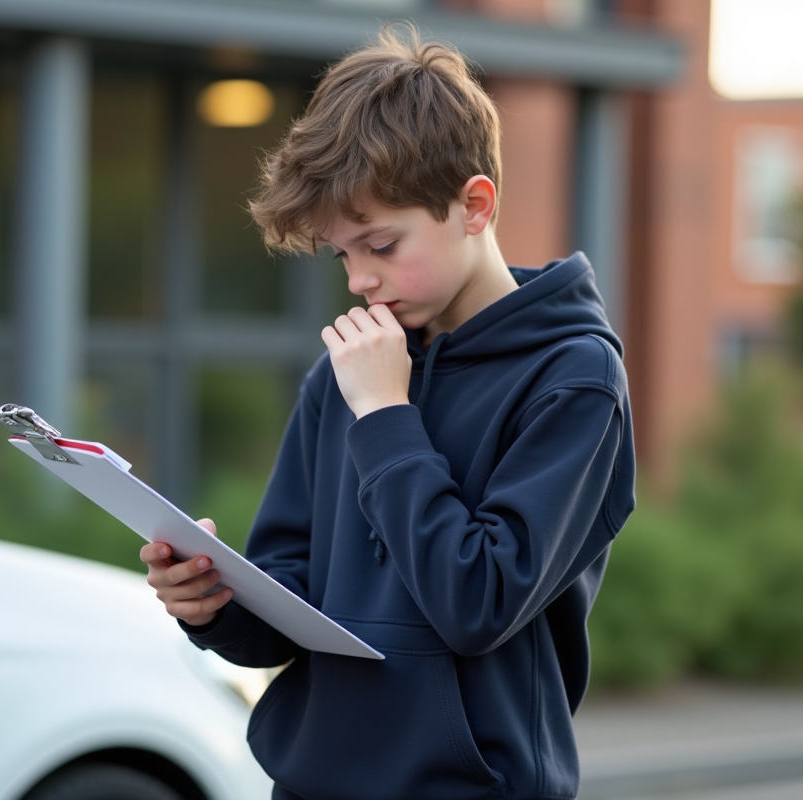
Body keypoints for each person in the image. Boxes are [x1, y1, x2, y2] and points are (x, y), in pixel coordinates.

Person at [141, 23, 635, 800]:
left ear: (475, 205)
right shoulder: (345, 370)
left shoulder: (574, 380)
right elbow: (294, 598)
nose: (359, 281)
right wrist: (214, 606)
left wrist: (384, 414)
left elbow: (477, 603)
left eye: (380, 243)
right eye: (344, 254)